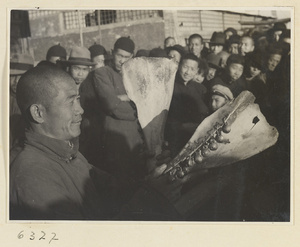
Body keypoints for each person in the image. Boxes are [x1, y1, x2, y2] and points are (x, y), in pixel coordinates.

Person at [93, 37, 147, 190]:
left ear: (133, 56)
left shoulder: (135, 76)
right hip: (116, 144)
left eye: (127, 57)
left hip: (137, 142)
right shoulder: (102, 73)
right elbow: (112, 106)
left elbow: (146, 101)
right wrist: (135, 104)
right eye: (119, 55)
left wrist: (124, 99)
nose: (122, 61)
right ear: (112, 53)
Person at [165, 53, 209, 156]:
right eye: (185, 67)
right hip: (175, 138)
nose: (188, 72)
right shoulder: (169, 86)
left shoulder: (200, 89)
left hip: (196, 138)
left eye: (192, 69)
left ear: (197, 70)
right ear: (179, 66)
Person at [10, 53, 34, 160]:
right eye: (12, 76)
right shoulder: (6, 100)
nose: (15, 81)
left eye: (20, 77)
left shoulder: (35, 103)